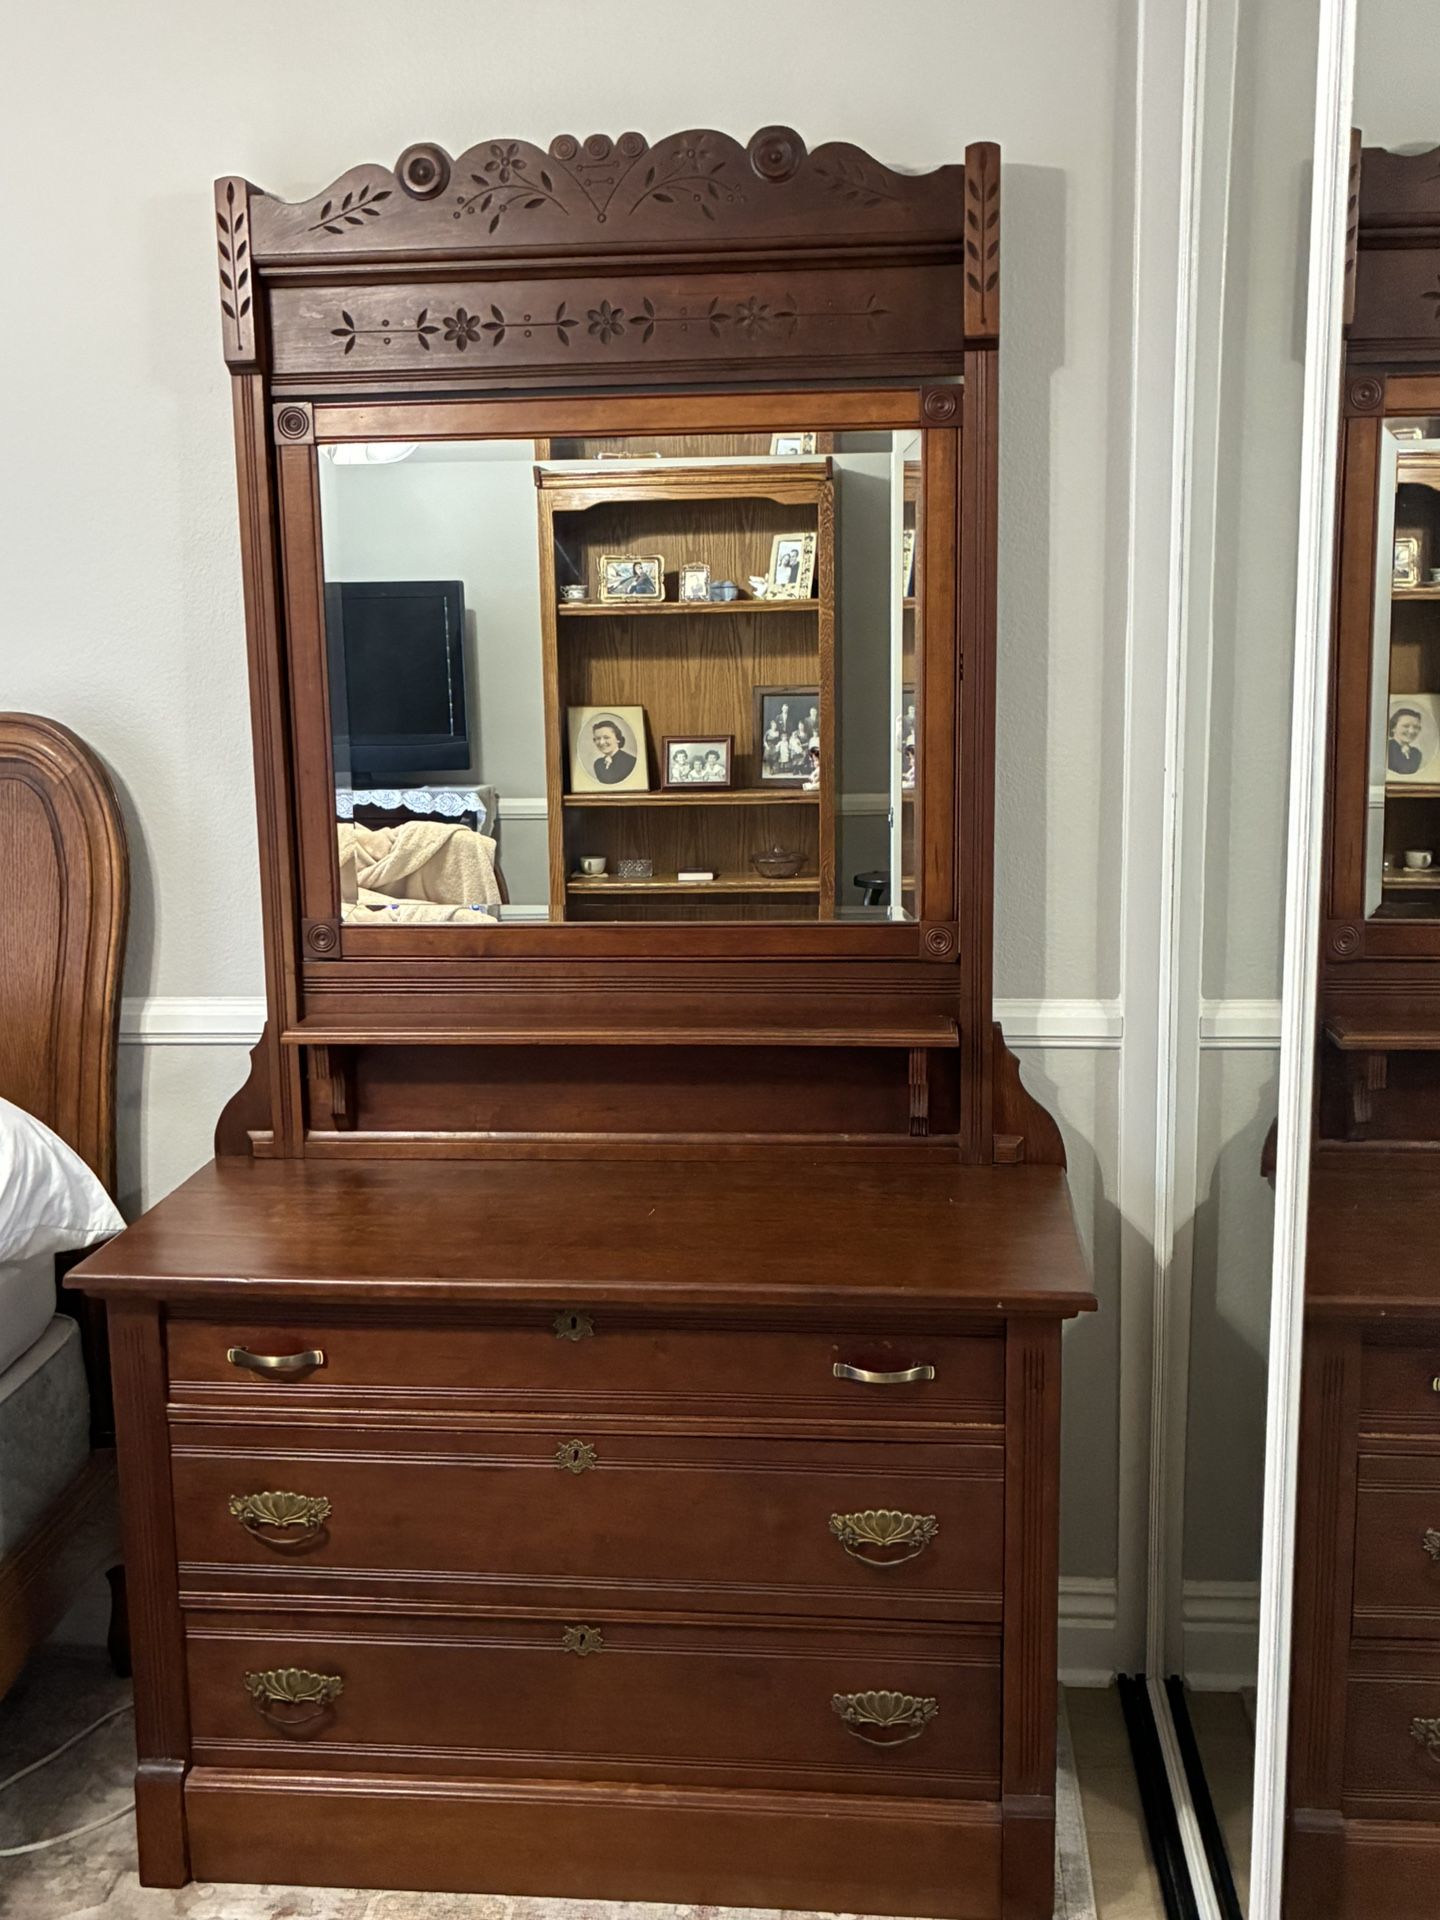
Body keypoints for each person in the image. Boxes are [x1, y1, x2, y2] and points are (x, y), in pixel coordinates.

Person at [591, 718, 637, 784]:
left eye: (606, 737)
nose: (601, 742)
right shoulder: (598, 764)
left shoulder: (631, 761)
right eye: (598, 738)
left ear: (618, 739)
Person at [1390, 707, 1426, 776]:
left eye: (1416, 727)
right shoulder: (1386, 749)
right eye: (1406, 726)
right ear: (1393, 728)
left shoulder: (1416, 753)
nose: (1411, 731)